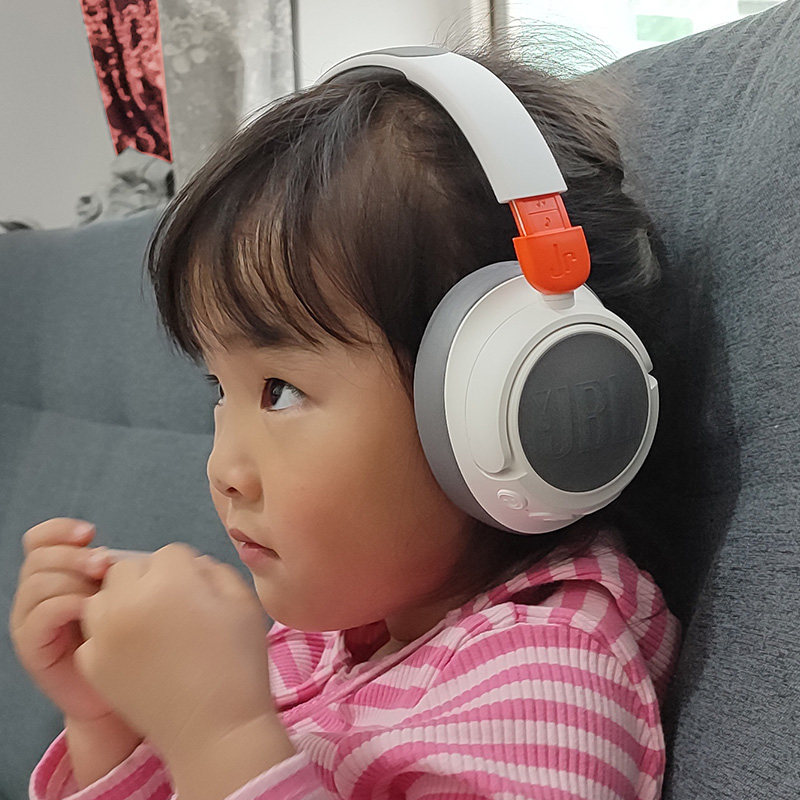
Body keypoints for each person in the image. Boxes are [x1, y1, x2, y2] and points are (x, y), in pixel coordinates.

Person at [10, 34, 683, 800]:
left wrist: (216, 732)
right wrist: (107, 722)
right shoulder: (331, 631)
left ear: (506, 403)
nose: (223, 469)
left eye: (280, 391)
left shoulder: (548, 681)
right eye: (219, 390)